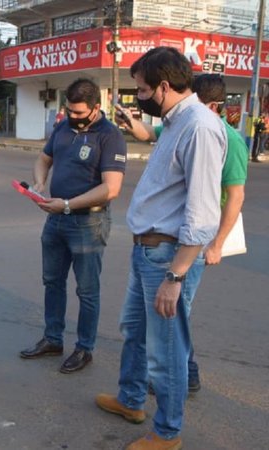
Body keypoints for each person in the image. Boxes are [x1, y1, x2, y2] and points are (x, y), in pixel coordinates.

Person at [95, 47, 227, 450]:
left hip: (167, 257)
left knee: (166, 349)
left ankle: (167, 433)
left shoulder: (200, 127)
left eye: (142, 89)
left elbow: (203, 214)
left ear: (164, 86)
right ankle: (132, 400)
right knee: (133, 331)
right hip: (147, 250)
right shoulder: (175, 121)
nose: (140, 96)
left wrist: (175, 275)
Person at [115, 73, 248, 395]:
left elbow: (234, 196)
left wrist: (215, 245)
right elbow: (150, 133)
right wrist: (131, 122)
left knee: (172, 323)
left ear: (210, 105)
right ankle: (144, 392)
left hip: (189, 241)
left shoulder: (221, 135)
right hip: (163, 238)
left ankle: (184, 381)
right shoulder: (181, 122)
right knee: (150, 324)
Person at [19, 78, 127, 373]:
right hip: (55, 220)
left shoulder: (110, 136)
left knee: (87, 290)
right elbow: (43, 159)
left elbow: (111, 189)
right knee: (52, 282)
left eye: (79, 113)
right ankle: (53, 338)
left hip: (88, 222)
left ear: (96, 108)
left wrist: (67, 204)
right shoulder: (62, 128)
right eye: (69, 110)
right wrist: (40, 182)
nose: (73, 117)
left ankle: (84, 348)